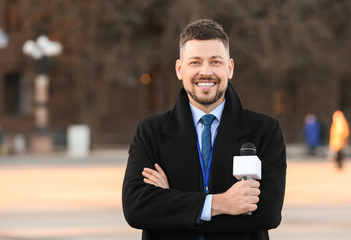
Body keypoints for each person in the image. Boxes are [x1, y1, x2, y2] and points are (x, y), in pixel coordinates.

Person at [122, 19, 286, 240]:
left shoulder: (265, 131)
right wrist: (221, 204)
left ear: (230, 68)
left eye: (215, 62)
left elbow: (268, 214)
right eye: (195, 62)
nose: (205, 72)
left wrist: (170, 202)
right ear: (180, 69)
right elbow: (136, 208)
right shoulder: (151, 131)